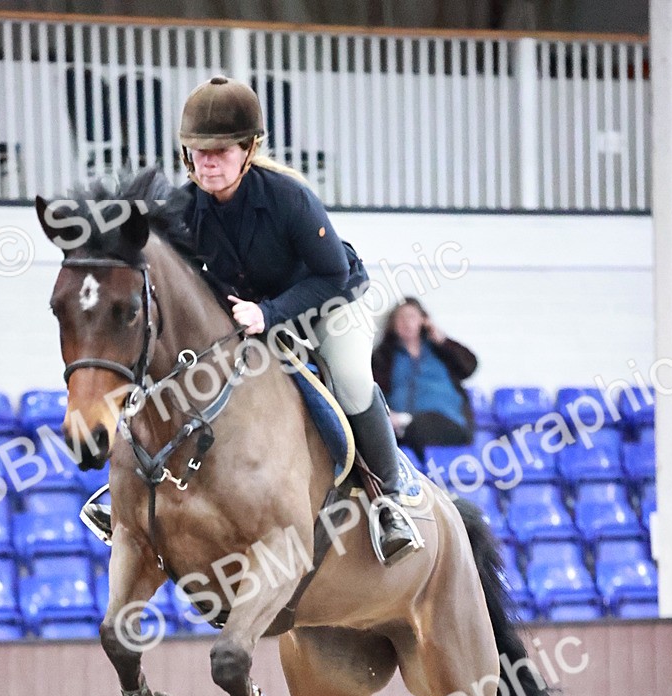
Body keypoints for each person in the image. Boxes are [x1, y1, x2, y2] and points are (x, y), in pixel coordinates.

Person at [176, 75, 419, 564]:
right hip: (254, 317)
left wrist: (268, 314)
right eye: (198, 151)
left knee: (350, 380)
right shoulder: (184, 209)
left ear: (249, 150)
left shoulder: (289, 198)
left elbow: (331, 274)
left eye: (221, 150)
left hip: (328, 303)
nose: (208, 161)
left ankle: (390, 499)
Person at [372, 298, 477, 461]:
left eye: (412, 317)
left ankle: (407, 424)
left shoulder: (439, 350)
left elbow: (470, 367)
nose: (407, 323)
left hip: (449, 424)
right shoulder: (384, 357)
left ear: (423, 320)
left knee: (418, 426)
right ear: (392, 324)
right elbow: (372, 392)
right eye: (401, 318)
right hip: (400, 430)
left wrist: (442, 340)